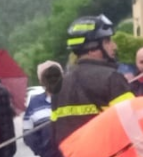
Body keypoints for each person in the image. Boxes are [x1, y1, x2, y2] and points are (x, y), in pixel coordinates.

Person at [53, 15, 133, 147]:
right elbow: (132, 126)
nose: (114, 46)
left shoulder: (59, 85)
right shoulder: (112, 79)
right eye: (107, 41)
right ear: (92, 49)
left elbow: (55, 134)